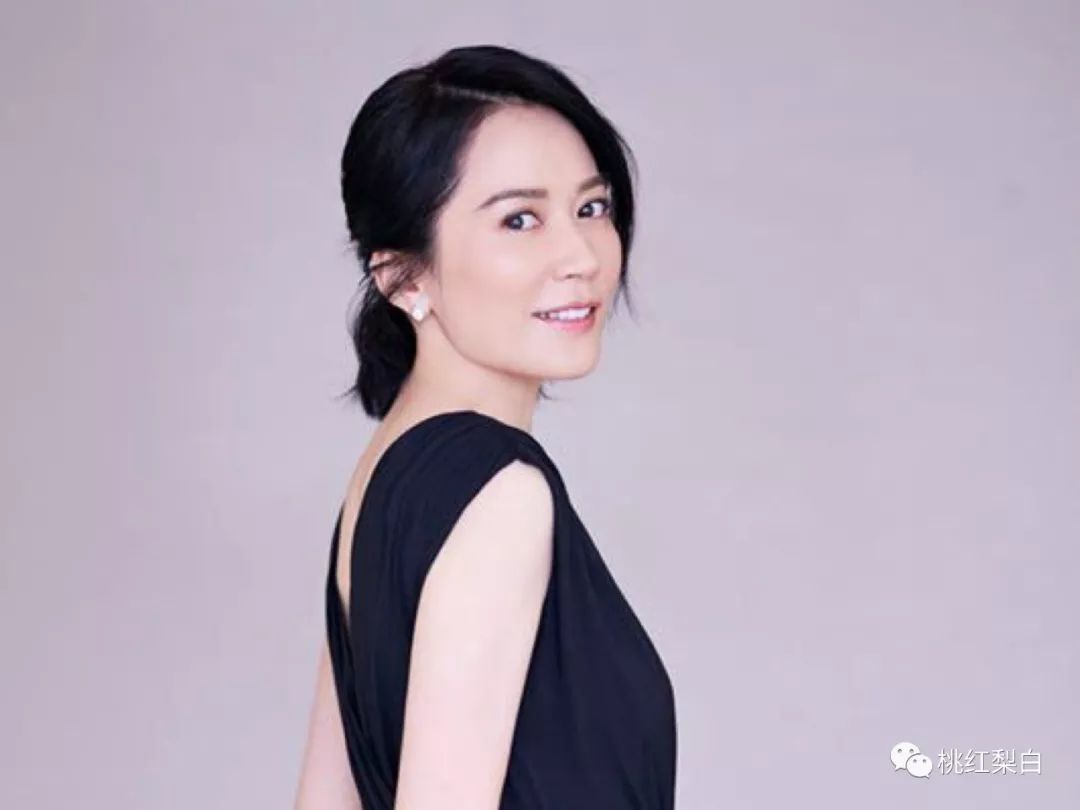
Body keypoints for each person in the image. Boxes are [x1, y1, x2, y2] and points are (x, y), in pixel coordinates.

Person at [294, 44, 677, 810]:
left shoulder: (383, 477)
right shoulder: (498, 492)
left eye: (591, 208)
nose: (580, 256)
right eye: (519, 219)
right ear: (403, 276)